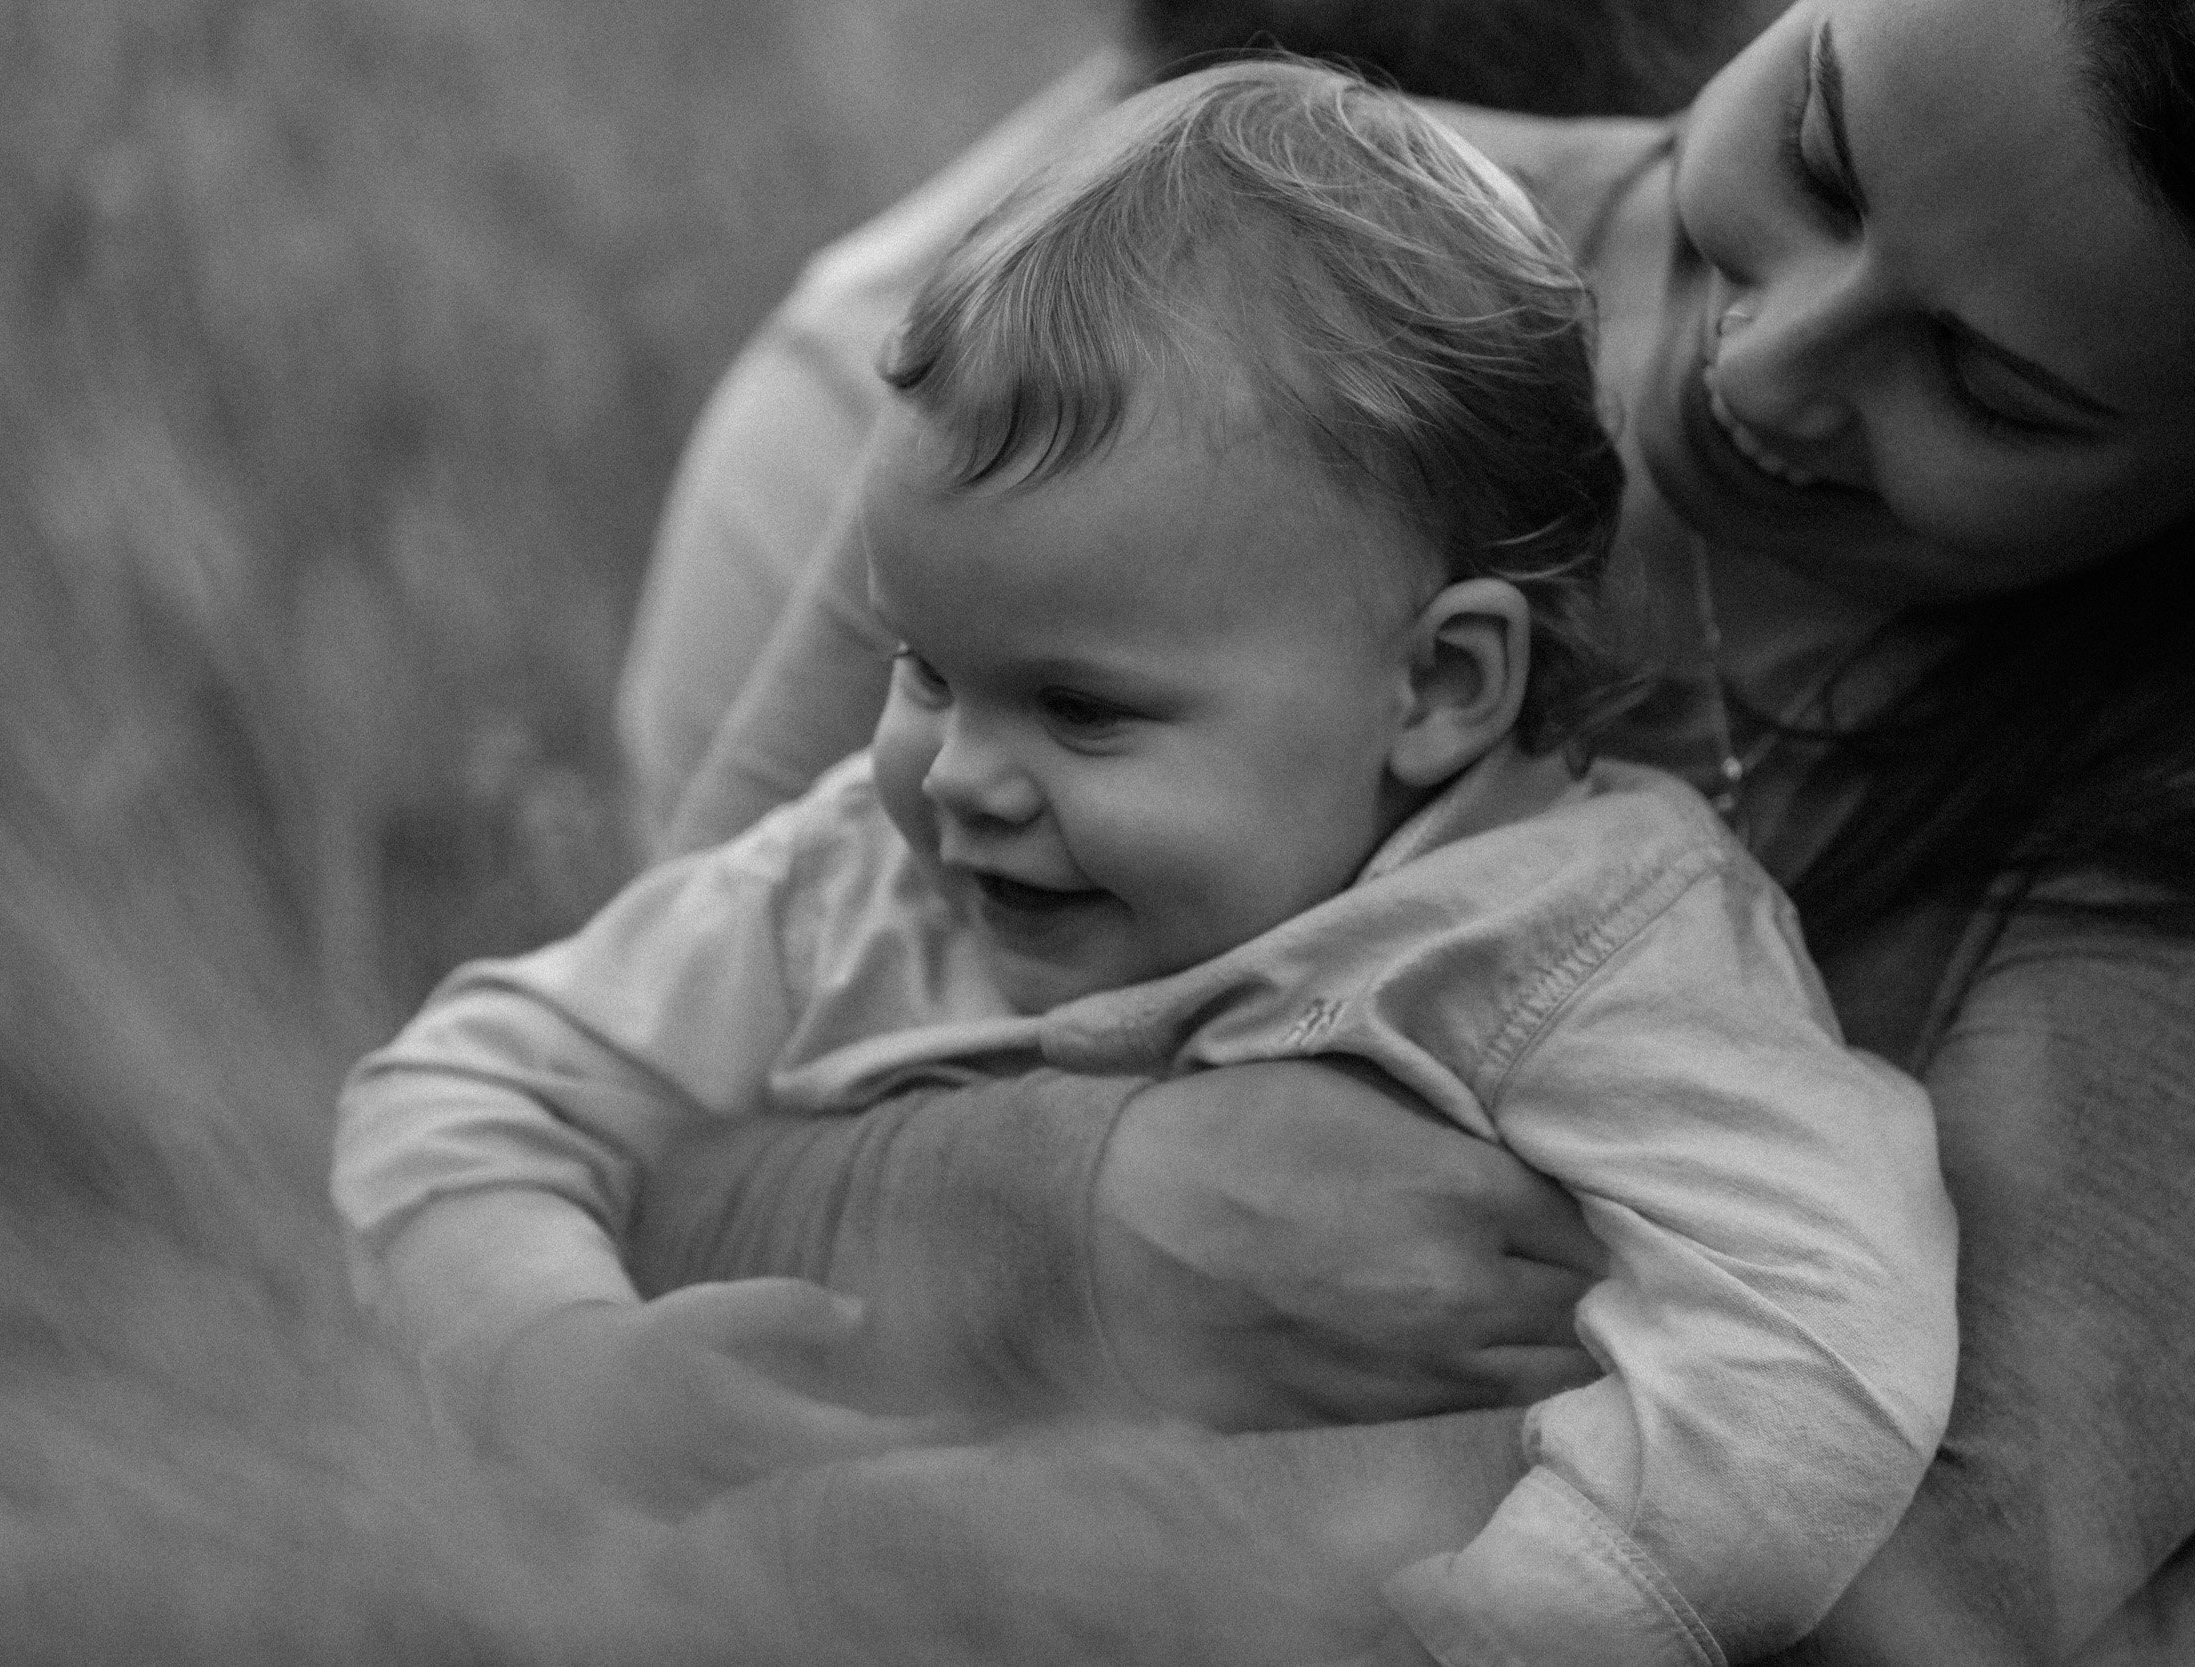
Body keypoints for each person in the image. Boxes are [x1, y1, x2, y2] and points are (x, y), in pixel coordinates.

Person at [607, 0, 2195, 1660]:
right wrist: (1051, 1213)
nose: (1762, 371)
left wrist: (920, 1544)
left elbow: (1894, 1586)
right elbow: (621, 1131)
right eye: (1816, 147)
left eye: (1990, 391)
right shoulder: (1225, 299)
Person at [334, 63, 1956, 1665]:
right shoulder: (853, 877)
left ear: (1442, 687)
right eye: (920, 670)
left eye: (1081, 711)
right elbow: (471, 1088)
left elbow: (1815, 1329)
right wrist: (551, 1354)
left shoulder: (1579, 946)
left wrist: (1504, 1627)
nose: (960, 778)